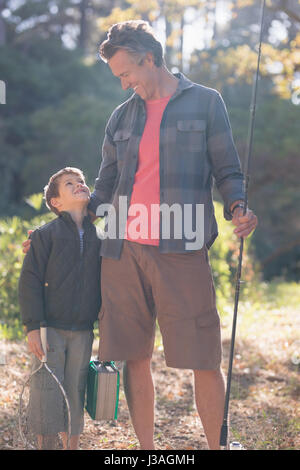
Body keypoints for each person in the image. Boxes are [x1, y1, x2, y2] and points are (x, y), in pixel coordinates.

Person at [88, 20, 257, 451]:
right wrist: (63, 228)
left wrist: (238, 207)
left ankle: (217, 446)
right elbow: (104, 187)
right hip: (122, 250)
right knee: (133, 355)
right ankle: (147, 451)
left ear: (150, 59)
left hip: (182, 247)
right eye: (118, 77)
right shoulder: (122, 115)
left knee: (203, 354)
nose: (124, 83)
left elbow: (228, 169)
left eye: (127, 73)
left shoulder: (205, 103)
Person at [19, 167, 101, 450]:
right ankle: (46, 445)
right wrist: (32, 326)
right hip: (48, 328)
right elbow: (29, 281)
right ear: (56, 202)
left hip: (82, 329)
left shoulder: (100, 238)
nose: (80, 184)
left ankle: (72, 446)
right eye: (70, 183)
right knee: (46, 389)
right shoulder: (45, 235)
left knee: (76, 389)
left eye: (81, 181)